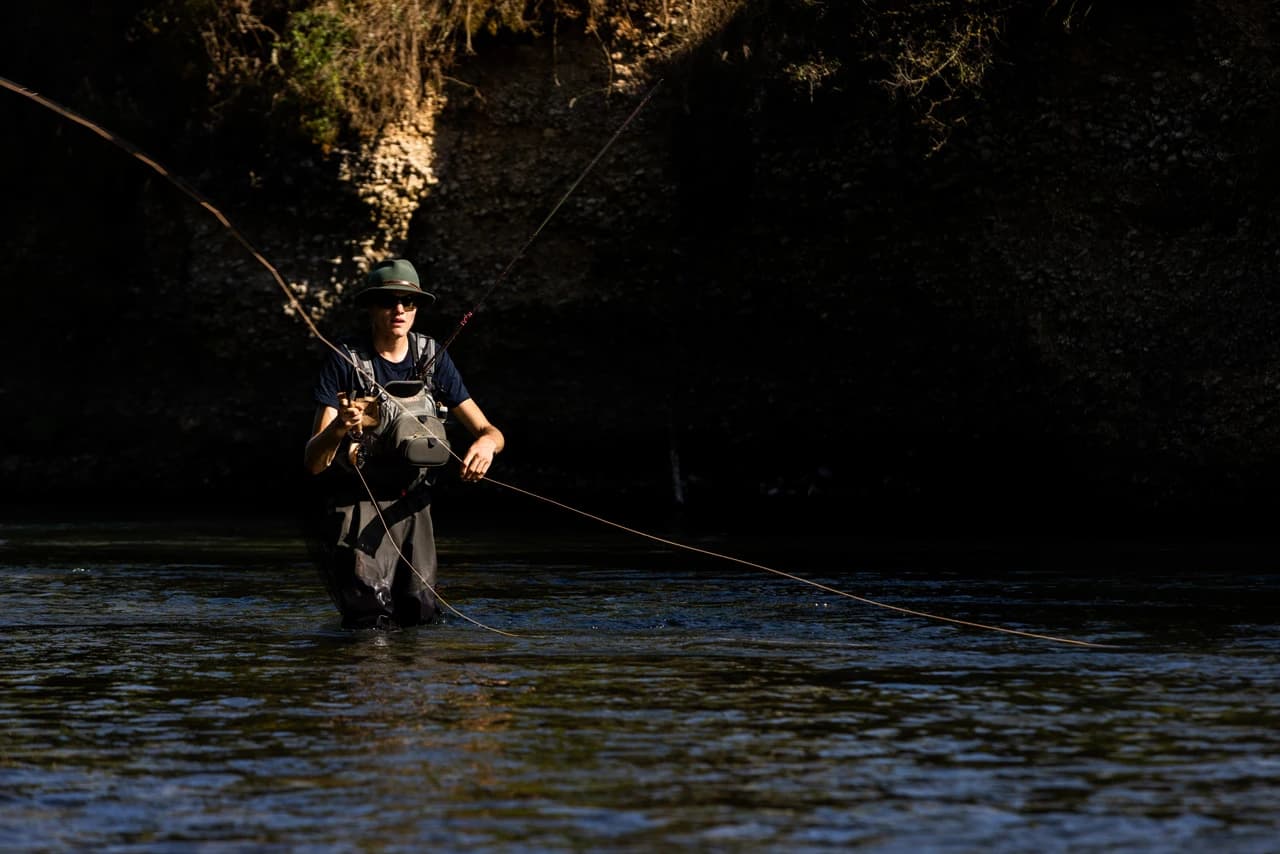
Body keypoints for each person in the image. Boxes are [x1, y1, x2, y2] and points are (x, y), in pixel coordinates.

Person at [303, 258, 504, 629]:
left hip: (415, 506)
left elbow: (490, 431)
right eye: (388, 301)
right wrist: (338, 430)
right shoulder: (344, 361)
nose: (399, 310)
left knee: (420, 616)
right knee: (369, 619)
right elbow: (313, 463)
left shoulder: (433, 357)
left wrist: (487, 446)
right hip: (358, 506)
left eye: (408, 302)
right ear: (370, 307)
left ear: (416, 309)